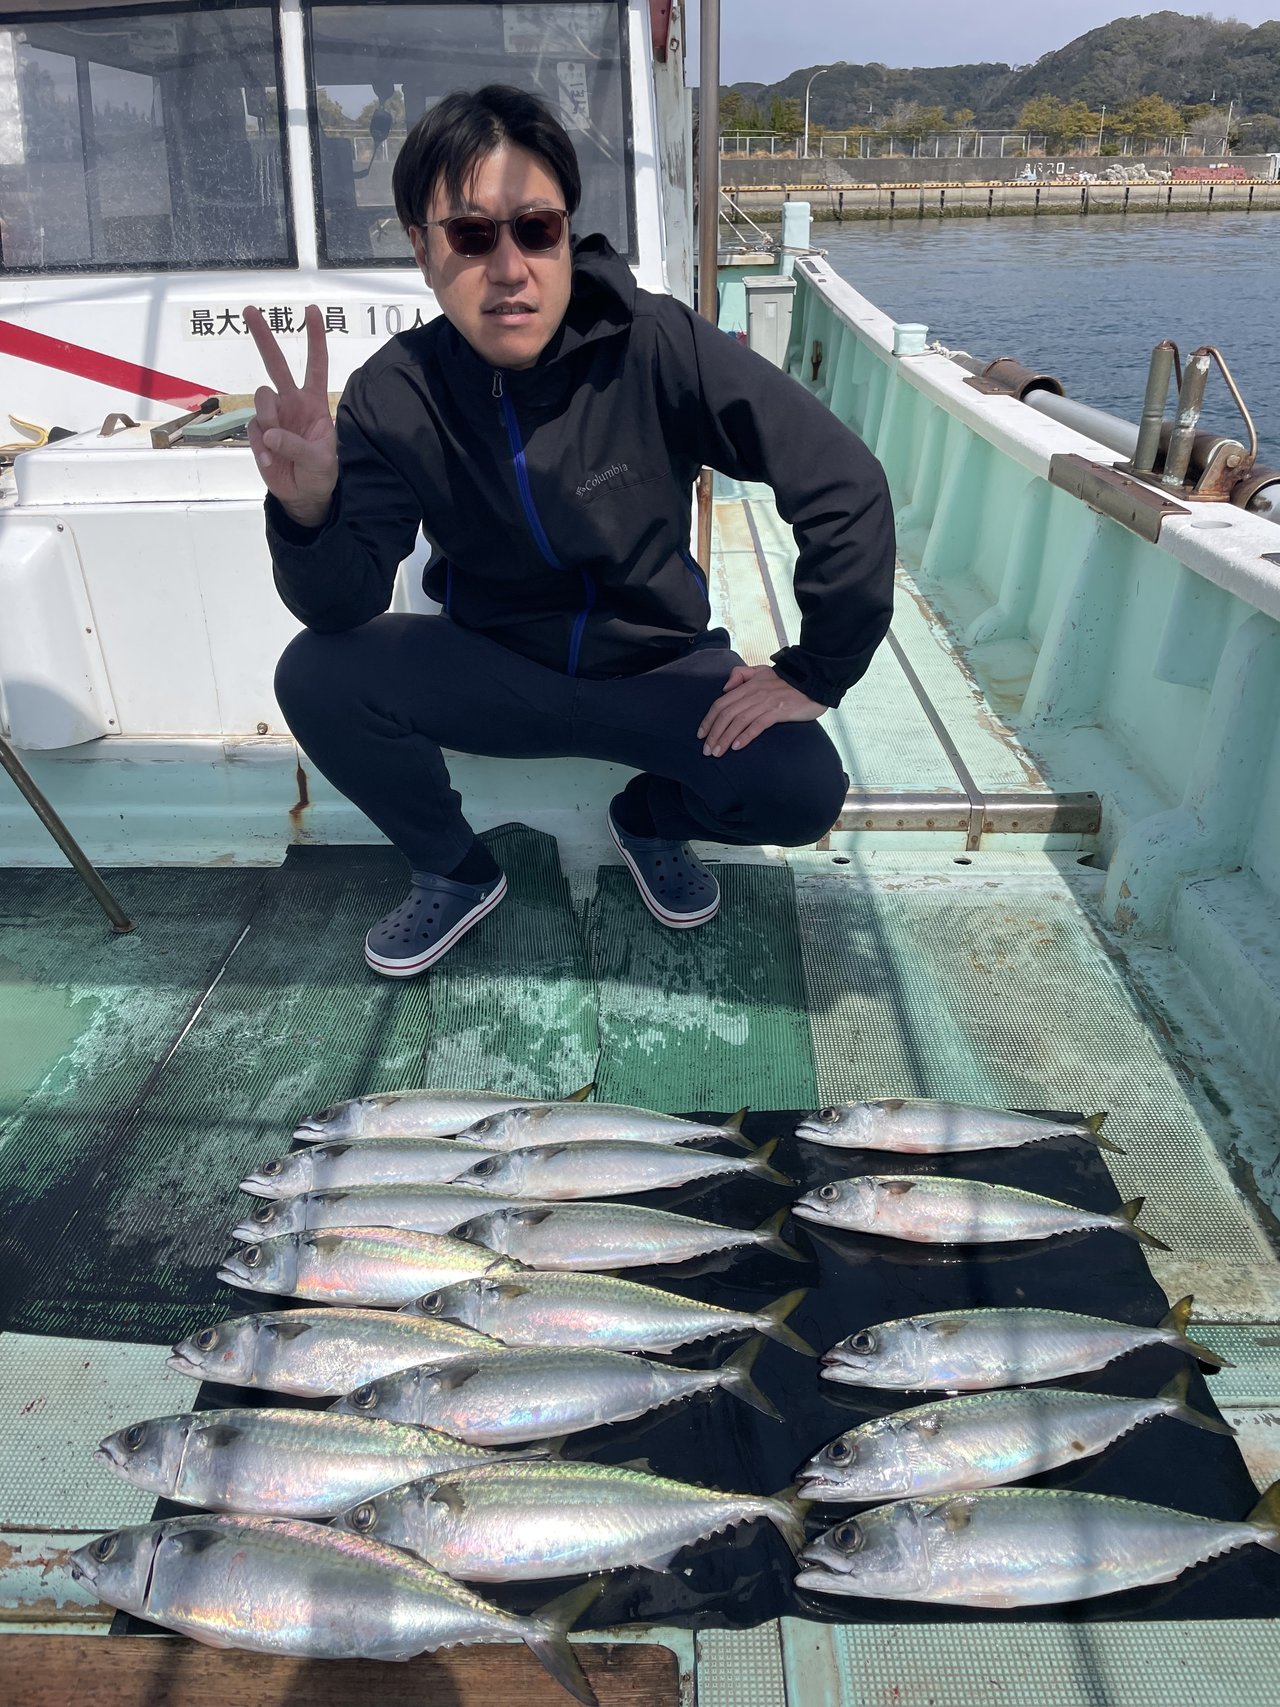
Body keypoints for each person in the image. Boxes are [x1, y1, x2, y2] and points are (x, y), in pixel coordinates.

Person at [252, 84, 894, 979]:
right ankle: (454, 867)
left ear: (566, 233)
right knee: (317, 674)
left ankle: (649, 819)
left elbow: (841, 480)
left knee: (801, 791)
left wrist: (815, 670)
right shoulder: (396, 394)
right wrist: (310, 509)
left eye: (536, 228)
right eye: (471, 235)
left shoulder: (656, 343)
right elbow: (344, 604)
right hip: (495, 666)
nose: (509, 267)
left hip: (657, 669)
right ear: (423, 250)